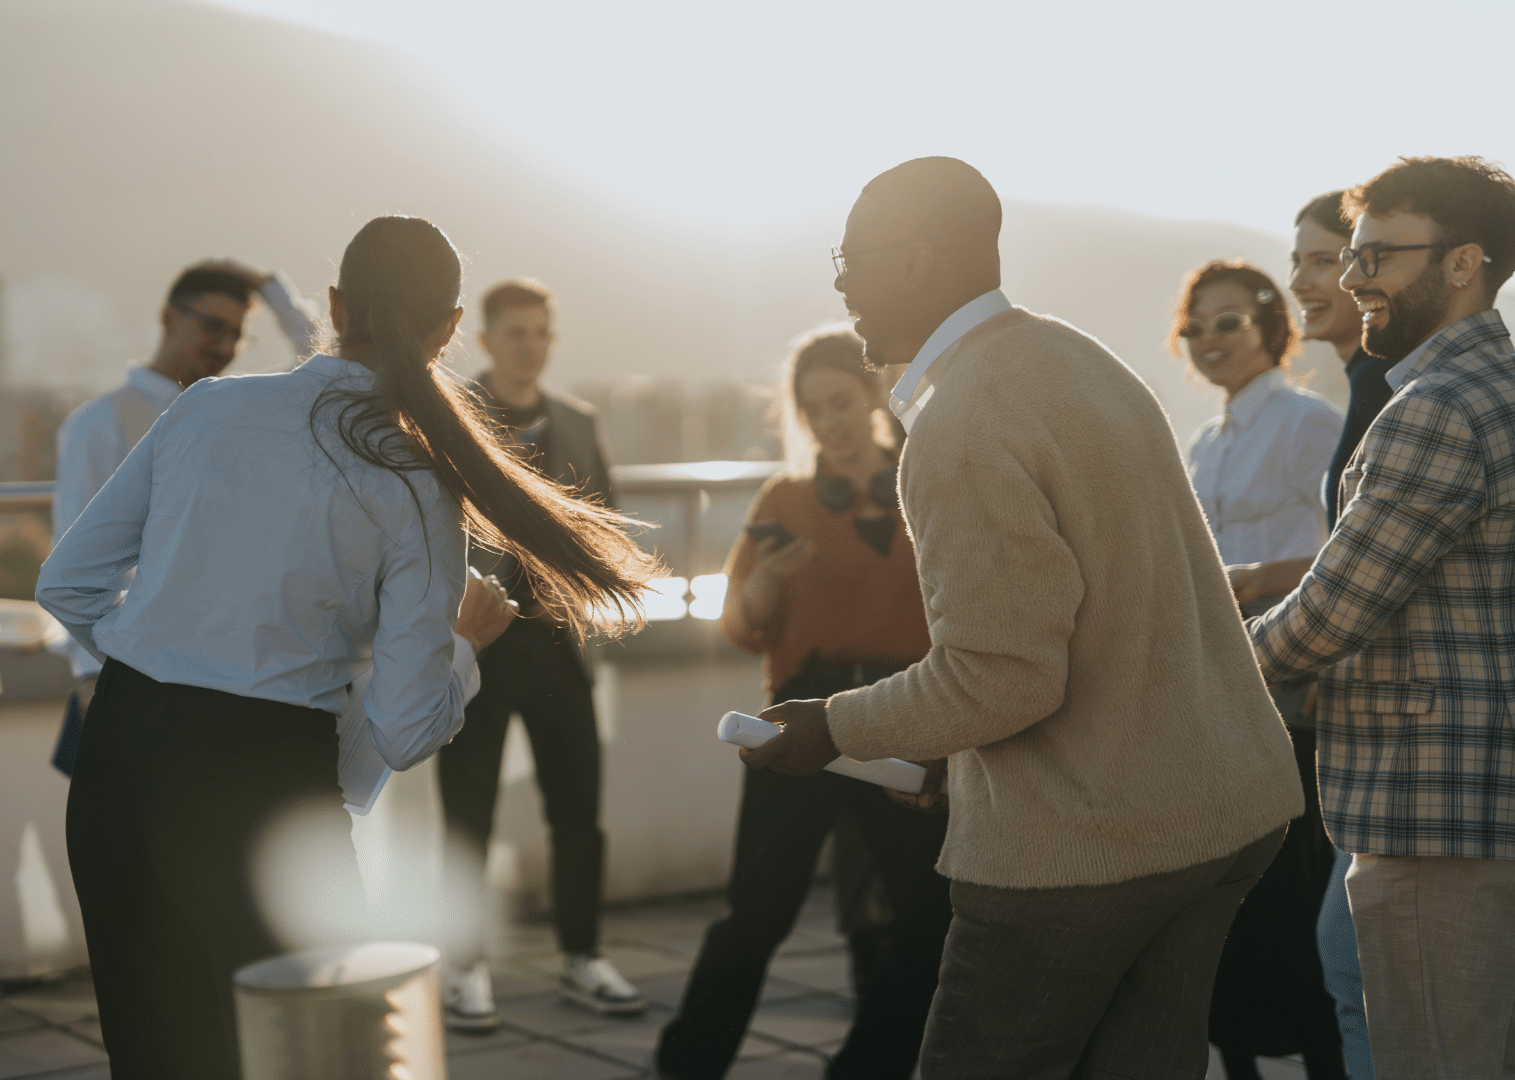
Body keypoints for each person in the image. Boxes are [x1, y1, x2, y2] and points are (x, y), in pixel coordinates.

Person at [35, 215, 658, 1079]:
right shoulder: (417, 478)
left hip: (119, 758)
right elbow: (403, 731)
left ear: (334, 305)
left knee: (153, 1055)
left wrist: (160, 660)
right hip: (262, 787)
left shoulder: (205, 407)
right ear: (449, 328)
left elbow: (66, 585)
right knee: (313, 1058)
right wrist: (463, 648)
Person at [742, 157, 1303, 1077]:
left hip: (1088, 847)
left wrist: (832, 726)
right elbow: (1103, 616)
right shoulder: (1079, 359)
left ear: (916, 260)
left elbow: (1002, 677)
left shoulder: (961, 423)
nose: (840, 286)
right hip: (1223, 811)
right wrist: (946, 749)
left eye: (850, 260)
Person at [1247, 155, 1515, 1079]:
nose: (1354, 277)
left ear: (1463, 263)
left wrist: (1189, 666)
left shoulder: (1436, 409)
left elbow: (1327, 618)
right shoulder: (1493, 389)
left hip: (1433, 809)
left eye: (1376, 256)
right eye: (1351, 255)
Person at [654, 327, 948, 1080]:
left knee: (930, 916)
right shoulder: (784, 497)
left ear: (874, 395)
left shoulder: (928, 480)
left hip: (902, 711)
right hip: (800, 711)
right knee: (756, 911)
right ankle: (684, 1068)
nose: (827, 421)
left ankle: (866, 1068)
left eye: (840, 402)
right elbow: (738, 626)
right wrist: (769, 582)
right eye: (812, 409)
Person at [434, 278, 645, 1028]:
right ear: (486, 339)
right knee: (467, 817)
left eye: (541, 332)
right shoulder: (450, 416)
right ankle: (463, 968)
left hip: (560, 648)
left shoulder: (577, 423)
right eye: (516, 332)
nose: (531, 345)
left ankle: (583, 957)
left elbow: (605, 526)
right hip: (477, 646)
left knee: (579, 813)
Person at [1172, 261, 1345, 1079]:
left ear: (1272, 324)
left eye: (1228, 321)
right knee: (1225, 894)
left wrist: (1251, 582)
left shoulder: (1309, 422)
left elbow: (1348, 552)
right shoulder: (1205, 441)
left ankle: (1323, 1057)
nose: (1209, 339)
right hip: (1219, 685)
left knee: (1290, 892)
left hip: (1293, 687)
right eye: (1195, 326)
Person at [48, 258, 321, 775]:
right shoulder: (99, 423)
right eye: (213, 326)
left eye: (237, 334)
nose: (224, 345)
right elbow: (74, 550)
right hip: (140, 669)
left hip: (235, 669)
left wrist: (272, 289)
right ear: (169, 317)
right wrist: (89, 673)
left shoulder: (242, 409)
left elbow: (322, 362)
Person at [1234, 190, 1384, 1080]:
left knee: (1353, 968)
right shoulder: (1363, 384)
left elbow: (1355, 559)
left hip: (1358, 714)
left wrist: (1243, 628)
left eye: (1326, 259)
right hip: (1331, 699)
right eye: (1300, 261)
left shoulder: (1381, 391)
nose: (1307, 279)